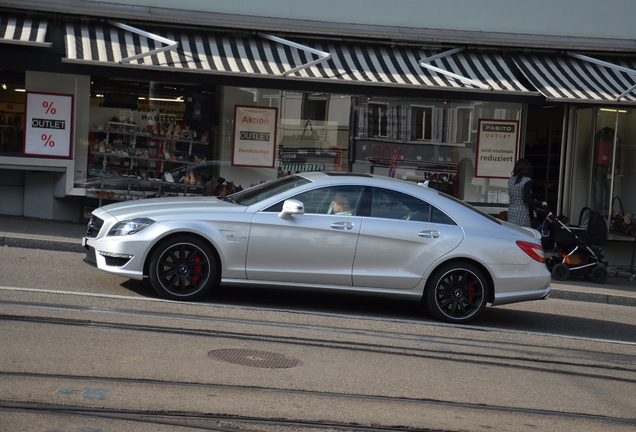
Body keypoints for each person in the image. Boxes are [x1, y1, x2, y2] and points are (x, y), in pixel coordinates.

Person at [507, 158, 547, 227]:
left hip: (511, 211)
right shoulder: (527, 180)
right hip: (521, 213)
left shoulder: (511, 179)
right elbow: (526, 199)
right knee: (524, 234)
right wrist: (540, 203)